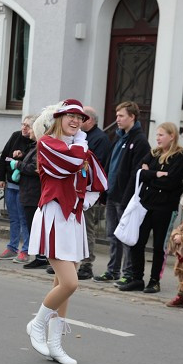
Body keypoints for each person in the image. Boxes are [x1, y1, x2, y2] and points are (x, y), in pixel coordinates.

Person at [25, 100, 108, 364]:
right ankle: (37, 324)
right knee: (70, 283)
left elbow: (97, 180)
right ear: (58, 117)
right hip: (54, 217)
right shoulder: (48, 143)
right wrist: (81, 146)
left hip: (73, 218)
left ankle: (55, 343)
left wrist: (83, 202)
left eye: (79, 117)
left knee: (62, 286)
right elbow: (70, 163)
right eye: (70, 116)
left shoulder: (79, 147)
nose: (75, 121)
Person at [119, 121, 183, 293]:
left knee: (158, 246)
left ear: (172, 136)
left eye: (161, 135)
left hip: (164, 207)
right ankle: (137, 278)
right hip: (145, 205)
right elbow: (138, 173)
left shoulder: (178, 157)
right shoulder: (153, 153)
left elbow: (171, 182)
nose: (157, 138)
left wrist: (149, 176)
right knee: (137, 242)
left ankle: (154, 280)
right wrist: (155, 174)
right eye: (157, 135)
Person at [96, 101, 148, 286]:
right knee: (112, 235)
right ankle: (112, 271)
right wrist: (104, 192)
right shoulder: (119, 138)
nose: (117, 119)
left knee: (126, 236)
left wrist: (127, 196)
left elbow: (136, 173)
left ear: (132, 117)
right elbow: (111, 166)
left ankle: (128, 273)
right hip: (112, 194)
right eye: (117, 116)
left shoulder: (139, 141)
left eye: (121, 116)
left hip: (125, 196)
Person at [77, 107, 111, 279]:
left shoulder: (101, 139)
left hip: (89, 191)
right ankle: (70, 261)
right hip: (75, 189)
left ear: (89, 120)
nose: (76, 121)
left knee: (87, 227)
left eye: (80, 118)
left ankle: (87, 263)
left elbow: (97, 166)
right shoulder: (78, 136)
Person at [0, 116, 35, 262]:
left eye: (28, 126)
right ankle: (12, 247)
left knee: (24, 219)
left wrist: (19, 158)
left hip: (25, 187)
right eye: (23, 124)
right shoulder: (15, 136)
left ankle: (25, 250)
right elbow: (4, 157)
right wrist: (0, 178)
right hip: (11, 184)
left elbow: (30, 164)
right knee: (13, 218)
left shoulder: (35, 142)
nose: (24, 128)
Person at [16, 126, 49, 270]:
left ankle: (42, 257)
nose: (29, 131)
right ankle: (40, 256)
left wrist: (18, 164)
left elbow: (36, 168)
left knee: (36, 226)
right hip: (28, 192)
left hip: (34, 193)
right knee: (32, 226)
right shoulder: (33, 146)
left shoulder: (40, 147)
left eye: (32, 128)